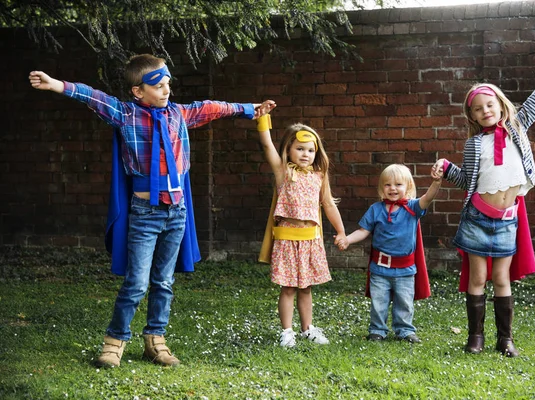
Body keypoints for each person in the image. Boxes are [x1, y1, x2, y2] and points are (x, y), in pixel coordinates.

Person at [29, 54, 274, 367]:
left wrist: (250, 109)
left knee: (164, 282)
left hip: (177, 212)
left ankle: (155, 340)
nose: (166, 90)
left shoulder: (179, 114)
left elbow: (214, 107)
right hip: (145, 213)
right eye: (158, 86)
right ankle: (114, 342)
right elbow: (93, 97)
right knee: (137, 283)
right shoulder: (125, 114)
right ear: (137, 91)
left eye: (168, 84)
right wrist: (57, 85)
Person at [432, 62, 535, 357]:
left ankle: (506, 340)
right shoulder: (474, 144)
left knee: (502, 278)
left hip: (507, 222)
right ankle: (475, 337)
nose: (485, 111)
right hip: (477, 219)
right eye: (478, 108)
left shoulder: (518, 126)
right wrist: (447, 167)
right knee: (477, 279)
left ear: (501, 105)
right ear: (472, 115)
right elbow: (467, 181)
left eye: (489, 104)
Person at [256, 114, 347, 347]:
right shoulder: (283, 172)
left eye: (310, 150)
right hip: (287, 240)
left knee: (306, 288)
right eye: (299, 149)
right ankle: (287, 331)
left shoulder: (319, 176)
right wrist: (263, 119)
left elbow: (328, 204)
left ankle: (308, 329)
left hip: (310, 241)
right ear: (288, 149)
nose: (305, 154)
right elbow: (266, 144)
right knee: (288, 288)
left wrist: (341, 231)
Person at [336, 164, 441, 342]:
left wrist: (436, 182)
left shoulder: (414, 208)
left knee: (404, 303)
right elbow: (363, 230)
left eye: (398, 184)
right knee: (379, 302)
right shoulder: (375, 209)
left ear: (408, 187)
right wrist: (347, 239)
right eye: (387, 184)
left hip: (405, 269)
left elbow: (428, 198)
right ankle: (377, 330)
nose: (392, 188)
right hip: (380, 268)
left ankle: (405, 330)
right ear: (381, 188)